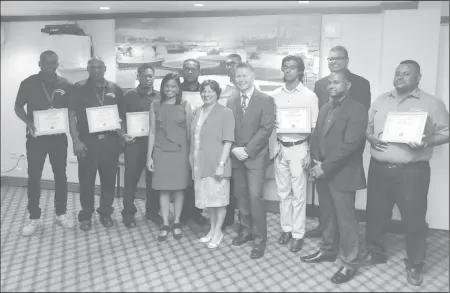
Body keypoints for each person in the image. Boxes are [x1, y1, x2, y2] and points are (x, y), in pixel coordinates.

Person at [360, 60, 449, 286]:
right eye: (397, 73)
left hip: (412, 172)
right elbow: (367, 126)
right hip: (379, 169)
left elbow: (446, 133)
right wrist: (370, 137)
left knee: (414, 219)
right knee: (376, 214)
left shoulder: (432, 103)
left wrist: (427, 140)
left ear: (418, 78)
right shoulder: (381, 100)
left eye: (406, 74)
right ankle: (375, 252)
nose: (400, 77)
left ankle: (415, 263)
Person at [300, 71, 368, 284]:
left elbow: (351, 145)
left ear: (347, 85)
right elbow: (317, 137)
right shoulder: (324, 108)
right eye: (329, 83)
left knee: (346, 220)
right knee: (327, 215)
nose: (331, 86)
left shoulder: (358, 109)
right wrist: (315, 163)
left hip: (343, 173)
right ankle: (328, 250)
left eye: (336, 82)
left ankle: (350, 262)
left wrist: (325, 167)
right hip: (322, 171)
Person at [306, 45, 371, 239]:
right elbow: (320, 124)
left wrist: (330, 162)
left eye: (338, 58)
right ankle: (327, 236)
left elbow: (356, 126)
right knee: (326, 205)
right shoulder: (320, 85)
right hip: (324, 153)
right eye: (331, 59)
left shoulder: (361, 84)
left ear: (347, 60)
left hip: (345, 156)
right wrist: (317, 159)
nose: (334, 62)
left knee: (344, 210)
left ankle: (346, 248)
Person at [14, 50, 74, 236]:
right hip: (36, 138)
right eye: (47, 63)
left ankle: (61, 214)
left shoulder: (66, 84)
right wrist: (29, 122)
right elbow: (17, 106)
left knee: (61, 176)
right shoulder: (28, 83)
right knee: (34, 177)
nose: (51, 66)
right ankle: (34, 217)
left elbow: (71, 111)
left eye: (54, 63)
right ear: (39, 63)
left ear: (58, 64)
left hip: (58, 138)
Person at [68, 57, 125, 232]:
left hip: (110, 143)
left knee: (108, 180)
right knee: (86, 180)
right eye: (92, 67)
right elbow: (71, 115)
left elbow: (121, 117)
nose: (96, 70)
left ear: (105, 69)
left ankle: (105, 213)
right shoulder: (78, 88)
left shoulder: (115, 89)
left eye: (99, 67)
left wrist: (121, 138)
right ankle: (85, 215)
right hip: (87, 142)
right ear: (87, 68)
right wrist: (76, 140)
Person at [226, 62, 275, 259]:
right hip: (236, 156)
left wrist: (247, 150)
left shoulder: (266, 99)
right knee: (242, 196)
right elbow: (227, 128)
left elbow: (266, 129)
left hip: (255, 156)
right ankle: (245, 230)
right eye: (238, 76)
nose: (241, 79)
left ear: (253, 76)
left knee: (255, 197)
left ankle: (259, 239)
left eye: (245, 76)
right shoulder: (231, 101)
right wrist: (233, 149)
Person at [272, 55, 319, 253]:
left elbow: (315, 128)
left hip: (300, 148)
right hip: (280, 147)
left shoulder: (309, 96)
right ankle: (286, 228)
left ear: (300, 71)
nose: (288, 70)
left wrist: (310, 152)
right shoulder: (275, 95)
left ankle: (298, 234)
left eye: (292, 67)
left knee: (299, 195)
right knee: (283, 193)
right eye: (285, 67)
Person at [190, 80, 235, 249]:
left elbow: (228, 141)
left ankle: (218, 232)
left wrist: (221, 164)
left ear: (218, 93)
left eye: (210, 91)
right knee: (209, 201)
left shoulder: (225, 112)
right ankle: (212, 229)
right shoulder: (197, 112)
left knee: (219, 201)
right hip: (200, 164)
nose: (206, 94)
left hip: (217, 163)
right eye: (204, 91)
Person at [147, 73, 192, 241]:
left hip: (180, 153)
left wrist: (191, 156)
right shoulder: (155, 105)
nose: (170, 89)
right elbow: (152, 132)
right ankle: (165, 222)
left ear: (178, 88)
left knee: (179, 188)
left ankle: (177, 221)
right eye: (167, 86)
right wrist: (149, 157)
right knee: (164, 189)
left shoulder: (185, 105)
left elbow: (189, 133)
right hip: (161, 152)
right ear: (162, 87)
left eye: (173, 86)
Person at [121, 63, 161, 228]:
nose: (147, 79)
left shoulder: (160, 96)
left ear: (154, 77)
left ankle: (152, 212)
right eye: (144, 75)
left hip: (155, 145)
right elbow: (120, 119)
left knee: (153, 180)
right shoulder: (128, 96)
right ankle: (128, 213)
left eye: (150, 76)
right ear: (138, 77)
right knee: (131, 179)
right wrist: (123, 135)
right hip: (134, 144)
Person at [179, 58, 207, 226]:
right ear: (182, 71)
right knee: (182, 177)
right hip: (180, 139)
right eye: (186, 69)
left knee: (197, 177)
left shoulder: (205, 89)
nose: (190, 72)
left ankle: (196, 212)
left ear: (199, 71)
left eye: (193, 69)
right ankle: (182, 213)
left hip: (200, 139)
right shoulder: (176, 88)